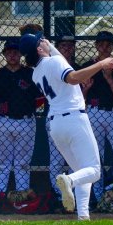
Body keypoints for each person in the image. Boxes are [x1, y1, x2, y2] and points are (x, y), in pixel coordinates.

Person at [19, 31, 113, 220]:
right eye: (41, 41)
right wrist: (101, 64)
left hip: (56, 125)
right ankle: (69, 180)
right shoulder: (53, 62)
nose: (45, 42)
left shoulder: (36, 73)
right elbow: (73, 77)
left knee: (83, 171)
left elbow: (60, 62)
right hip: (74, 119)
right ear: (38, 49)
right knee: (94, 171)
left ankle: (83, 216)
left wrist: (46, 45)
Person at [0, 38, 44, 197]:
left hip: (26, 121)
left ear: (21, 54)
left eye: (15, 52)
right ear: (4, 54)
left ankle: (21, 197)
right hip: (3, 121)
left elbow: (40, 99)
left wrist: (26, 108)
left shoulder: (30, 73)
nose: (12, 55)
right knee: (1, 163)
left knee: (22, 163)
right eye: (9, 52)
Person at [81, 30, 113, 201]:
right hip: (93, 112)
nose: (104, 47)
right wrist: (86, 89)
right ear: (96, 46)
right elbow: (78, 98)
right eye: (101, 44)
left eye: (108, 44)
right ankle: (97, 197)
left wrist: (109, 78)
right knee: (95, 157)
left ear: (112, 47)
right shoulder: (87, 66)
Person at [47, 34, 80, 202]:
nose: (67, 49)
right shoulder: (51, 67)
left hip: (75, 116)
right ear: (57, 48)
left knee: (77, 159)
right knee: (56, 159)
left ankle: (74, 194)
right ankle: (59, 196)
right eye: (63, 46)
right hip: (56, 115)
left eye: (70, 46)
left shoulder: (78, 68)